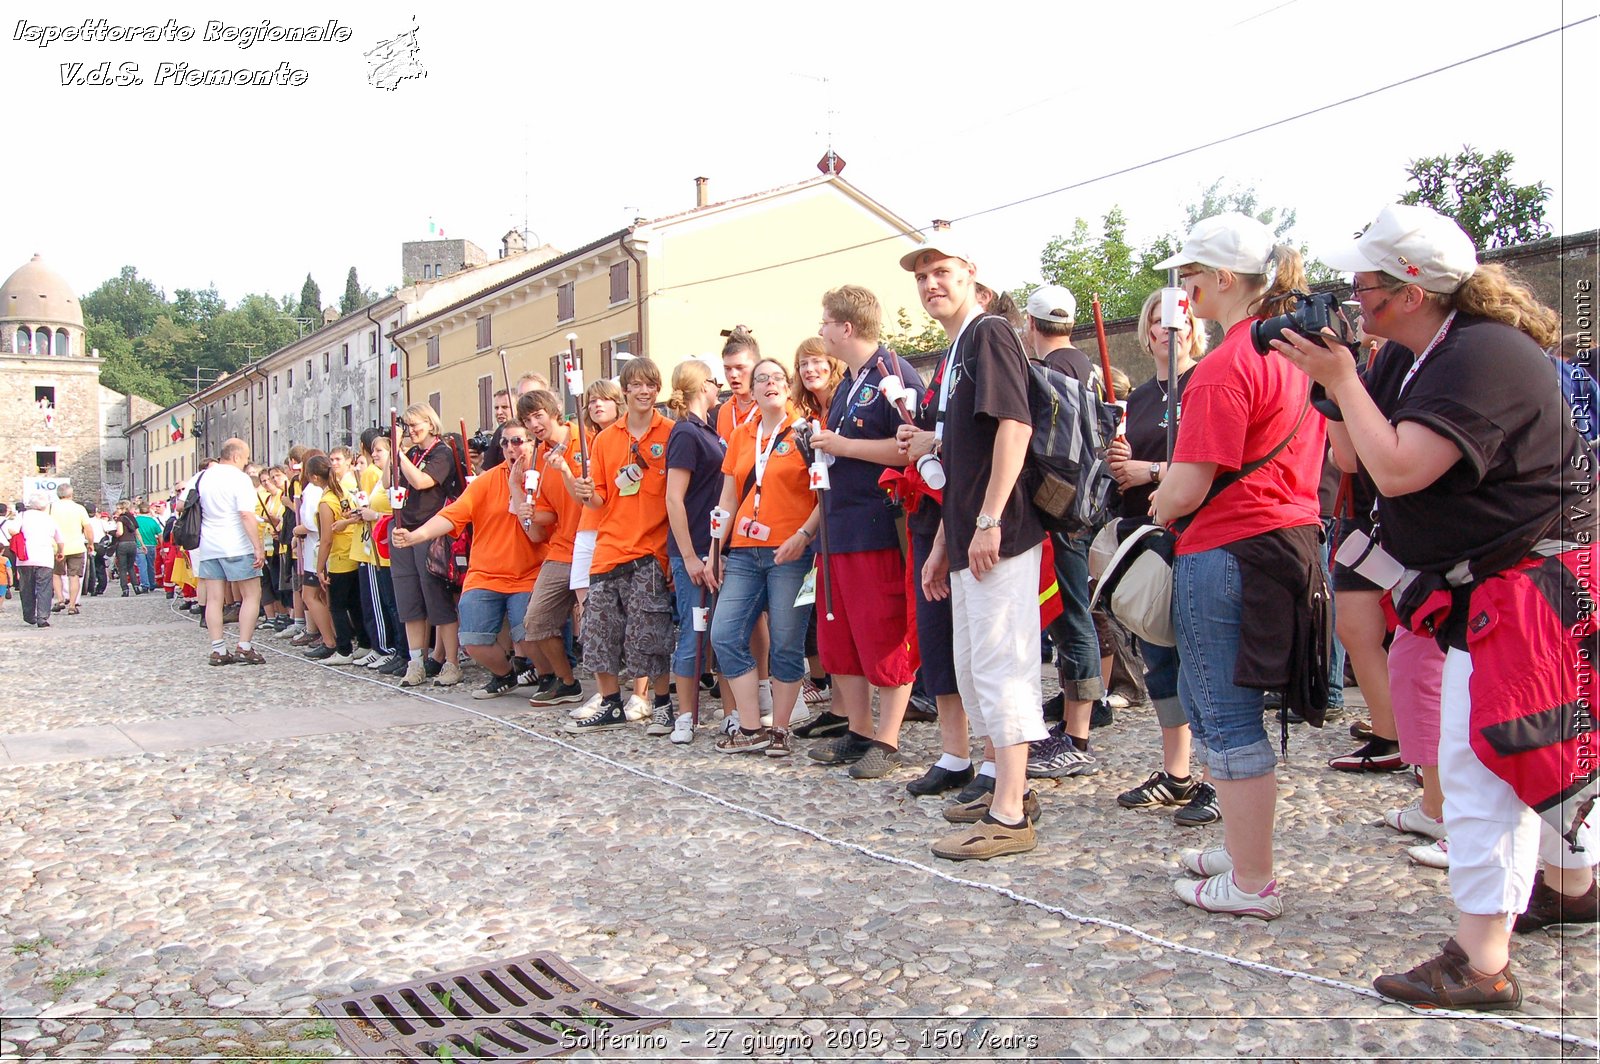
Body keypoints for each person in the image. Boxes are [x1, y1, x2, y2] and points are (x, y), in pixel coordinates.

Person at [1273, 203, 1597, 1009]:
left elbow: (1403, 470)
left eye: (1364, 284)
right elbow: (1354, 456)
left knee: (1486, 764)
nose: (1352, 296)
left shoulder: (1485, 355)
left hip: (1527, 592)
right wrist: (1333, 384)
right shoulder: (1409, 356)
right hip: (1495, 590)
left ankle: (1480, 965)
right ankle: (1572, 885)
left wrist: (1343, 377)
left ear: (1409, 291)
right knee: (1535, 752)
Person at [1150, 213, 1328, 919]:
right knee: (1223, 708)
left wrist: (1158, 498)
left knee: (1222, 717)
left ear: (1226, 279)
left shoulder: (1224, 365)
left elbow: (1189, 486)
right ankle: (1241, 849)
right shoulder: (1295, 351)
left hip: (1226, 546)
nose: (1185, 289)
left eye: (1191, 275)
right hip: (1284, 541)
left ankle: (1252, 880)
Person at [902, 237, 1049, 860]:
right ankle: (1002, 787)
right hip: (966, 534)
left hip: (1001, 533)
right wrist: (945, 541)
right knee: (973, 667)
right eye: (922, 276)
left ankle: (1010, 815)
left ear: (971, 275)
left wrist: (988, 519)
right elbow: (962, 459)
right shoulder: (958, 348)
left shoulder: (988, 335)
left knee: (1001, 665)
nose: (931, 283)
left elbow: (1015, 426)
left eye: (942, 272)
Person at [1106, 288, 1218, 826]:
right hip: (1154, 539)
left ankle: (1221, 779)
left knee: (1207, 662)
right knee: (1161, 661)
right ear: (1146, 331)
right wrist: (1123, 465)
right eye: (1158, 322)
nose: (1168, 332)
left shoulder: (1210, 379)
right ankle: (1177, 773)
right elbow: (1135, 468)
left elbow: (1213, 459)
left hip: (1204, 535)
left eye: (1178, 322)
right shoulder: (1144, 397)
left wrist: (1151, 472)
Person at [806, 285, 922, 778]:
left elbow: (909, 447)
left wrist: (842, 445)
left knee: (882, 633)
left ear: (847, 328)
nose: (821, 331)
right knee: (841, 638)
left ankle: (889, 739)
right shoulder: (849, 381)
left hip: (876, 527)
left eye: (826, 322)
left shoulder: (892, 373)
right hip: (837, 529)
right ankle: (857, 730)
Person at [1018, 284, 1107, 778]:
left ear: (1031, 326)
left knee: (1071, 618)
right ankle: (1079, 720)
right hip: (1086, 505)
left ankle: (1077, 737)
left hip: (1061, 511)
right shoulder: (1088, 368)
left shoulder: (1047, 373)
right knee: (1074, 615)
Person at [710, 357, 818, 756]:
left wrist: (805, 536)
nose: (769, 383)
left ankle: (782, 729)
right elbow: (726, 498)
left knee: (787, 643)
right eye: (761, 379)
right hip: (742, 550)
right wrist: (715, 550)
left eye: (777, 378)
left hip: (791, 552)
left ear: (788, 388)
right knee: (724, 633)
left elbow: (825, 496)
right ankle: (751, 725)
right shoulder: (741, 435)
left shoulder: (806, 431)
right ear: (751, 391)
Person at [394, 420, 549, 699]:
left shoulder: (545, 476)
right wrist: (416, 536)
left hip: (530, 573)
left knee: (530, 635)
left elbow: (540, 531)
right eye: (504, 442)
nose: (511, 448)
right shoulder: (487, 480)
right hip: (486, 574)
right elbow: (454, 514)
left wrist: (517, 486)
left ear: (532, 443)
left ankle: (552, 676)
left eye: (518, 441)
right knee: (473, 641)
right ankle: (504, 674)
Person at [567, 357, 676, 732]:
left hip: (650, 550)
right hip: (608, 547)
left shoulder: (670, 433)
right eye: (637, 385)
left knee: (650, 634)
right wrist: (584, 492)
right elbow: (598, 498)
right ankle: (610, 702)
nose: (644, 391)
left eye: (651, 385)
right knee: (599, 630)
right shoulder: (605, 438)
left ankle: (661, 703)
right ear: (625, 390)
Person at [663, 357, 729, 743]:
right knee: (694, 629)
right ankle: (686, 715)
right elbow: (674, 498)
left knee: (720, 631)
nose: (718, 387)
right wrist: (689, 555)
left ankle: (729, 713)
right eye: (714, 381)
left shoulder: (708, 429)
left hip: (716, 544)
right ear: (702, 385)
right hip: (695, 546)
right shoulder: (687, 432)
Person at [518, 389, 588, 709]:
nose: (534, 424)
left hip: (594, 544)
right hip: (562, 547)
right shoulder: (538, 457)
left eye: (538, 415)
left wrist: (566, 470)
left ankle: (616, 690)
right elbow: (550, 512)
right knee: (535, 620)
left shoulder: (586, 440)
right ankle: (567, 682)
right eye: (527, 419)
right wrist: (532, 513)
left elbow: (589, 497)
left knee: (597, 624)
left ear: (555, 411)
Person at [389, 403, 464, 688]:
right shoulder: (412, 453)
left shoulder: (442, 453)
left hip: (430, 531)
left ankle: (451, 662)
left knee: (437, 599)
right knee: (410, 599)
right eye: (406, 426)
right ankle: (415, 661)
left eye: (415, 424)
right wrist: (395, 455)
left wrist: (398, 455)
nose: (410, 431)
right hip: (404, 528)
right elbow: (389, 480)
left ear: (430, 423)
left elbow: (421, 482)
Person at [791, 337, 844, 714]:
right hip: (822, 523)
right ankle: (840, 707)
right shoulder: (812, 414)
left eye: (816, 361)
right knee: (826, 614)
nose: (810, 369)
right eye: (803, 364)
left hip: (844, 522)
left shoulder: (840, 405)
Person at [193, 438, 268, 665]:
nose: (246, 463)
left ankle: (218, 648)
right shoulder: (240, 479)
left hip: (209, 544)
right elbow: (246, 514)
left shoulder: (203, 476)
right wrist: (258, 547)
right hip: (236, 543)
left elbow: (181, 505)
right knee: (251, 595)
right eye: (245, 458)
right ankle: (244, 645)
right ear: (236, 456)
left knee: (215, 599)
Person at [12, 492, 64, 626]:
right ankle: (42, 617)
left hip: (25, 557)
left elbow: (12, 530)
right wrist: (60, 552)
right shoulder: (49, 518)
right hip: (44, 557)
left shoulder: (22, 515)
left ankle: (29, 615)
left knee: (26, 587)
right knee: (44, 588)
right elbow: (59, 539)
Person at [49, 484, 94, 614]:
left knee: (56, 574)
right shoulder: (79, 508)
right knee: (74, 576)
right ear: (71, 494)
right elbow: (88, 528)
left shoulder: (51, 508)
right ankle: (72, 605)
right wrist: (90, 543)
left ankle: (60, 599)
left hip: (56, 547)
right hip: (76, 546)